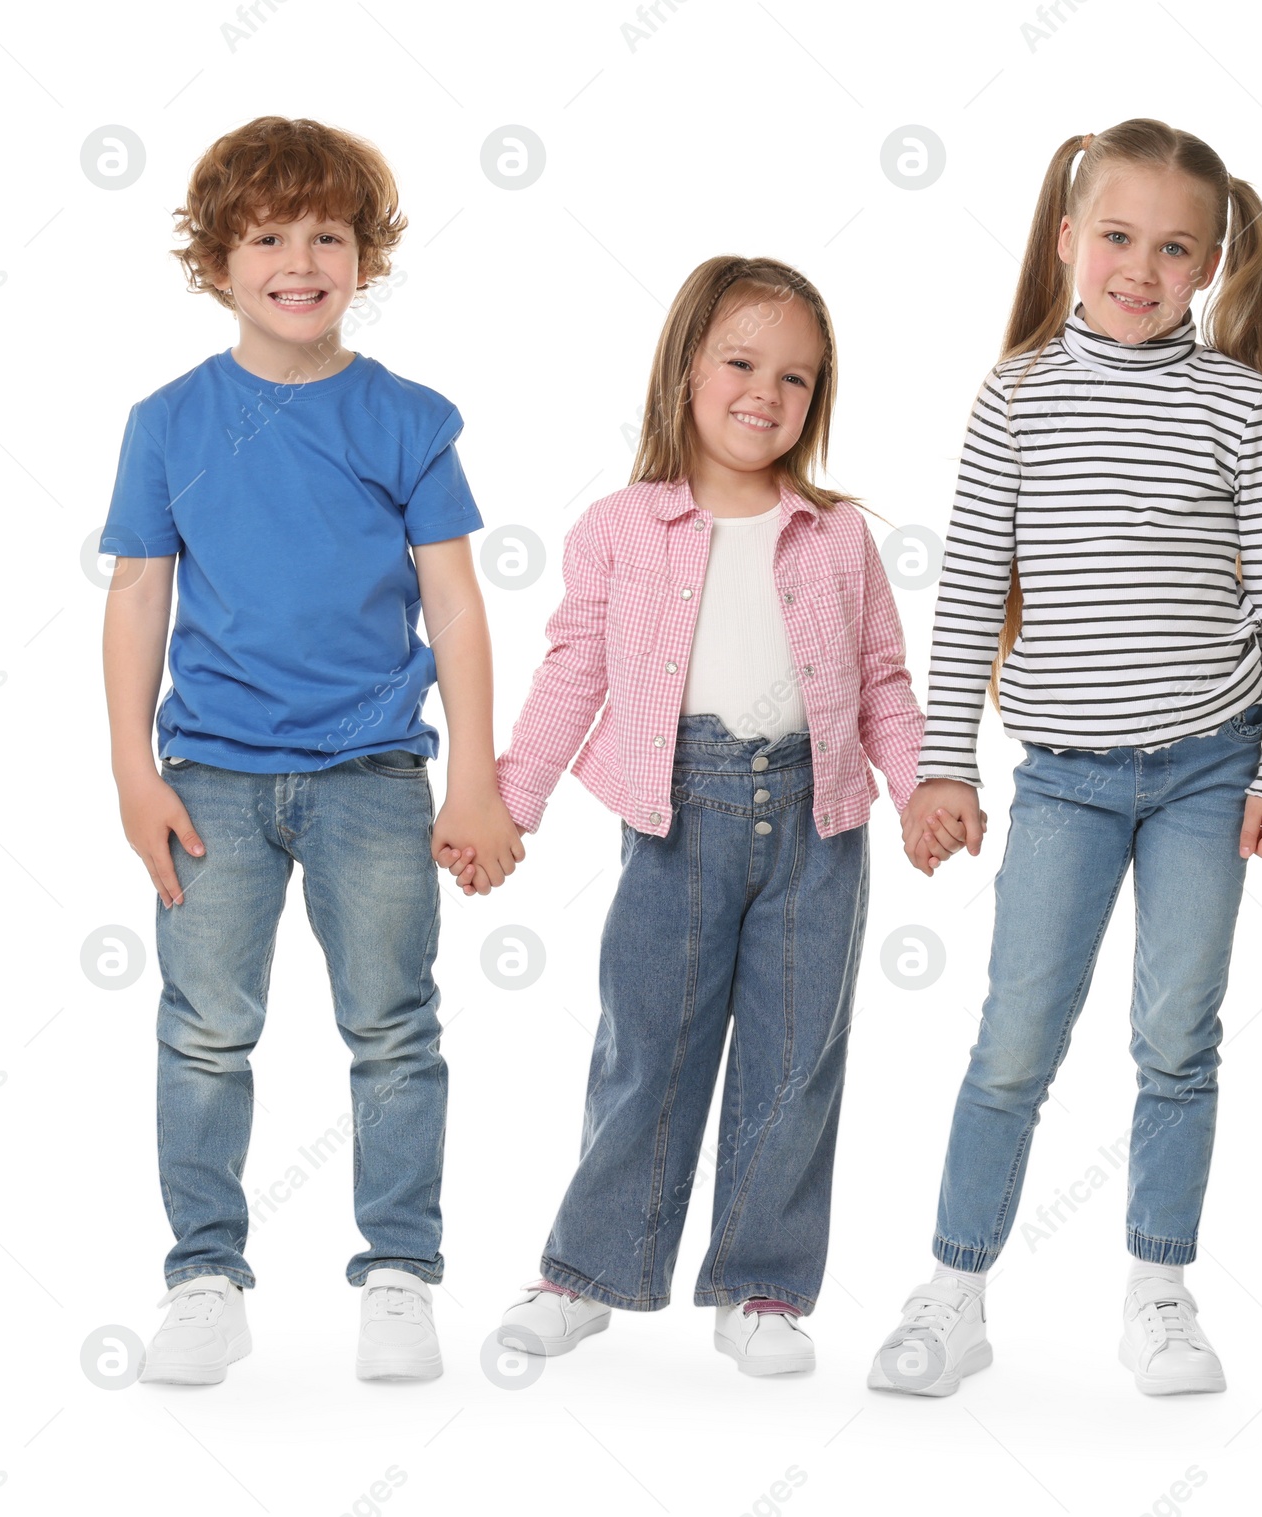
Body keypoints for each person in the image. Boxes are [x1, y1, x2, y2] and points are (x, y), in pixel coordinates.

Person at [871, 118, 1262, 1398]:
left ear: (1213, 265)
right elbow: (967, 589)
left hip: (1208, 767)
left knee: (1176, 1034)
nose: (1140, 266)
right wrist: (940, 765)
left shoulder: (1239, 402)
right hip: (1062, 772)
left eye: (1174, 247)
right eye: (1116, 236)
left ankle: (1158, 1289)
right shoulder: (1016, 394)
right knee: (1013, 1038)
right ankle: (953, 1292)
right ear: (1069, 240)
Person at [99, 115, 522, 1385]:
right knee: (204, 1031)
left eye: (326, 234)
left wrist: (477, 777)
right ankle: (205, 1276)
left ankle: (399, 1271)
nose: (299, 259)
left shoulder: (406, 418)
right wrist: (133, 769)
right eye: (267, 235)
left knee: (393, 1025)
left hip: (372, 775)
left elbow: (453, 601)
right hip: (212, 775)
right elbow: (136, 597)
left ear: (364, 254)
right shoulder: (167, 421)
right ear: (217, 258)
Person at [453, 256, 925, 1375]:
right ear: (684, 371)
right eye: (742, 362)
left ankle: (762, 1286)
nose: (767, 391)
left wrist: (925, 787)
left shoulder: (837, 534)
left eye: (797, 378)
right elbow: (575, 671)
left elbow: (881, 683)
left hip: (818, 820)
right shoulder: (621, 525)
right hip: (679, 815)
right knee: (646, 1050)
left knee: (795, 1053)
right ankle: (587, 1270)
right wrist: (505, 803)